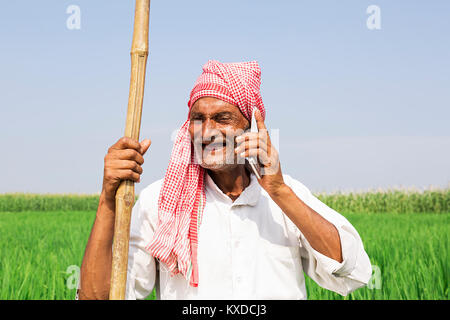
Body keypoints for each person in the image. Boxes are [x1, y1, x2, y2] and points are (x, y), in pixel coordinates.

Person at [78, 60, 372, 300]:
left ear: (250, 126)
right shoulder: (160, 202)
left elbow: (352, 270)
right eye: (198, 118)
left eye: (222, 118)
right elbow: (99, 297)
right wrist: (108, 199)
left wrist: (280, 191)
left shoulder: (285, 195)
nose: (207, 132)